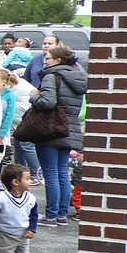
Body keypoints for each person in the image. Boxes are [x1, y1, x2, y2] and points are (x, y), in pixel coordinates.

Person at [29, 45, 86, 225]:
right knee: (62, 173)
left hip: (50, 129)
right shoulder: (77, 77)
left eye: (47, 58)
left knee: (51, 173)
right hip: (69, 129)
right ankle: (61, 214)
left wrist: (33, 96)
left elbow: (47, 102)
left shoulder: (51, 76)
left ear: (57, 60)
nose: (44, 61)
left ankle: (51, 215)